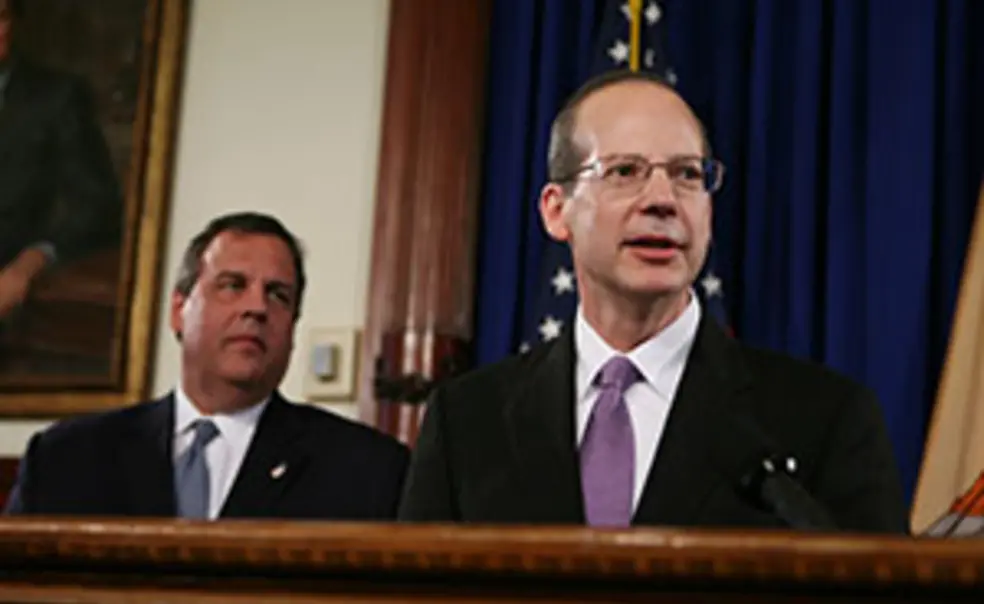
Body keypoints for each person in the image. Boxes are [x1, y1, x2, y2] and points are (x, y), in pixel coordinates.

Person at [398, 70, 908, 533]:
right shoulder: (465, 423)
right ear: (557, 211)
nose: (663, 199)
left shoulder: (825, 419)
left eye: (688, 174)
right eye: (625, 172)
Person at [5, 212, 410, 520]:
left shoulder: (366, 469)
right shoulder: (66, 458)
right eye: (233, 285)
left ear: (292, 326)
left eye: (278, 295)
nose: (256, 308)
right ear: (180, 311)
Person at [0, 0, 123, 321]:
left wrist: (31, 262)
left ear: (16, 23)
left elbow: (98, 205)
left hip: (14, 288)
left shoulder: (56, 97)